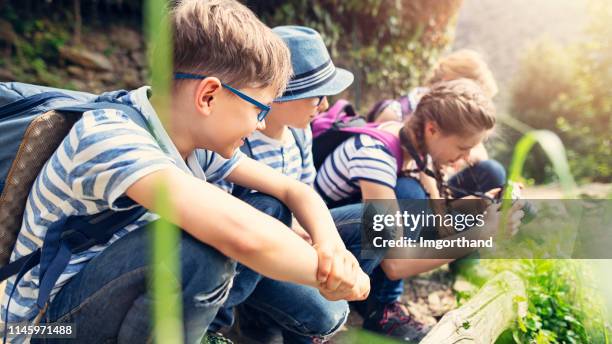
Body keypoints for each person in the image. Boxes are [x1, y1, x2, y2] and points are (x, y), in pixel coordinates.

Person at [0, 1, 369, 343]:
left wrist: (332, 247)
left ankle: (217, 329)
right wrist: (342, 278)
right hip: (45, 327)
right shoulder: (110, 137)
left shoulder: (189, 138)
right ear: (208, 96)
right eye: (259, 110)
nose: (259, 124)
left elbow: (294, 191)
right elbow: (242, 236)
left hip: (112, 294)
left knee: (271, 210)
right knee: (199, 253)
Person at [208, 26, 386, 344]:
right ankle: (257, 318)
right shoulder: (238, 140)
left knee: (379, 221)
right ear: (277, 96)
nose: (326, 104)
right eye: (316, 95)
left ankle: (307, 307)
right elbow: (239, 219)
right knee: (327, 315)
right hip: (254, 253)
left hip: (298, 232)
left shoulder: (301, 133)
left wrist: (315, 239)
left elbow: (306, 189)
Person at [314, 79, 523, 341]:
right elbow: (395, 263)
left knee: (414, 196)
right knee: (409, 193)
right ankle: (381, 310)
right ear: (433, 129)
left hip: (358, 241)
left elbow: (436, 221)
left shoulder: (415, 143)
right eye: (463, 147)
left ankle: (374, 301)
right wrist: (482, 234)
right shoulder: (376, 156)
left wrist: (480, 206)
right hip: (320, 248)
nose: (469, 157)